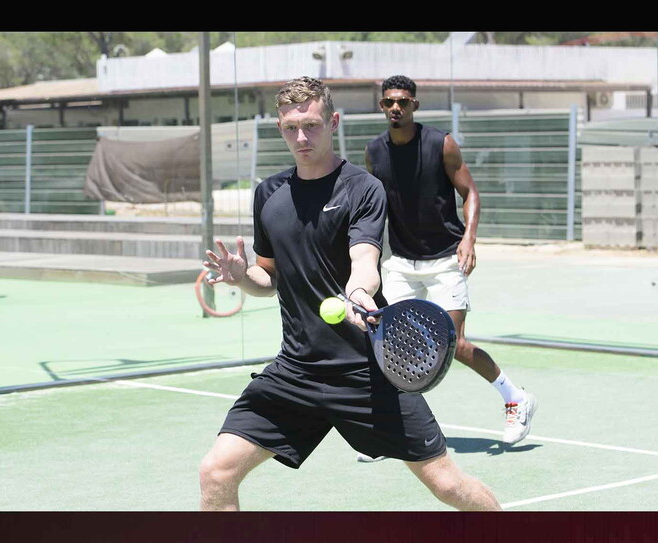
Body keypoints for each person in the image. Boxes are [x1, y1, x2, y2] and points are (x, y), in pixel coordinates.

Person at [198, 76, 501, 511]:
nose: (301, 137)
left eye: (312, 125)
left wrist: (358, 293)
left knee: (448, 484)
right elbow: (269, 280)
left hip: (368, 370)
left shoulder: (362, 187)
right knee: (216, 471)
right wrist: (240, 276)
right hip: (296, 371)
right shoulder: (269, 194)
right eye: (290, 127)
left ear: (333, 121)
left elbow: (365, 261)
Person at [358, 75, 536, 462]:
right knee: (393, 349)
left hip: (444, 259)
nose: (395, 108)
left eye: (403, 102)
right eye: (389, 102)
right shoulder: (374, 152)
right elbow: (372, 209)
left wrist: (469, 238)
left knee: (452, 344)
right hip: (400, 264)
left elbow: (470, 191)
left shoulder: (442, 144)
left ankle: (516, 398)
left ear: (414, 105)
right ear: (382, 106)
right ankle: (393, 435)